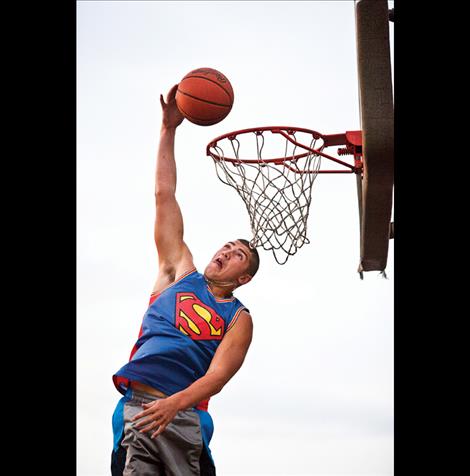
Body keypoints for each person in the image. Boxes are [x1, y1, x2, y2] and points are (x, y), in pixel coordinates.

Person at [110, 84, 260, 476]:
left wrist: (174, 404)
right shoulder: (179, 269)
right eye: (226, 246)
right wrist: (168, 129)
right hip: (139, 406)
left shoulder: (238, 318)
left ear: (242, 277)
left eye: (237, 255)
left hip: (186, 415)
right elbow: (164, 194)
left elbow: (216, 378)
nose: (225, 252)